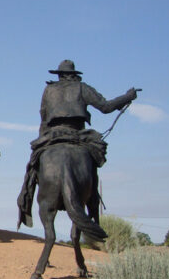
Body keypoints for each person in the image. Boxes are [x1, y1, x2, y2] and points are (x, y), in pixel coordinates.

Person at [18, 60, 138, 228]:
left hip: (51, 134)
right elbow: (105, 106)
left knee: (32, 169)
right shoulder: (82, 88)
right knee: (94, 159)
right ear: (74, 75)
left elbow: (43, 118)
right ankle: (92, 205)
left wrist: (40, 143)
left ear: (59, 75)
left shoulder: (48, 90)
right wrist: (128, 97)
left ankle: (26, 200)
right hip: (77, 134)